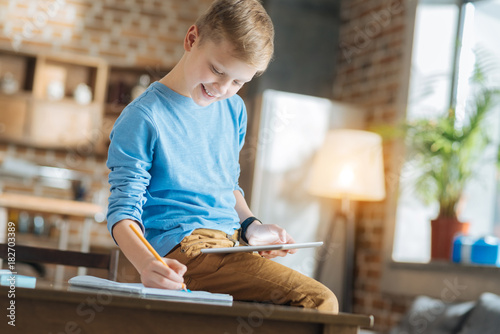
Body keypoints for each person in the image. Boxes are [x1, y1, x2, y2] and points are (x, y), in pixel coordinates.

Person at [106, 0, 338, 312]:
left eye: (239, 82)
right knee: (320, 302)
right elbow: (123, 211)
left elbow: (227, 184)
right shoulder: (144, 117)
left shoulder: (234, 110)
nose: (223, 88)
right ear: (192, 39)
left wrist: (251, 227)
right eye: (217, 70)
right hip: (187, 251)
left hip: (232, 247)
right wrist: (149, 264)